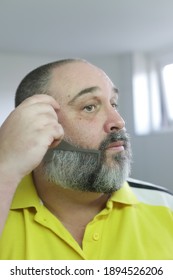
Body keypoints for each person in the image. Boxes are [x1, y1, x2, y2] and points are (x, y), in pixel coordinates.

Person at [0, 58, 173, 260]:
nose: (118, 121)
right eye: (90, 107)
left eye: (114, 103)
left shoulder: (167, 207)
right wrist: (5, 168)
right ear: (37, 126)